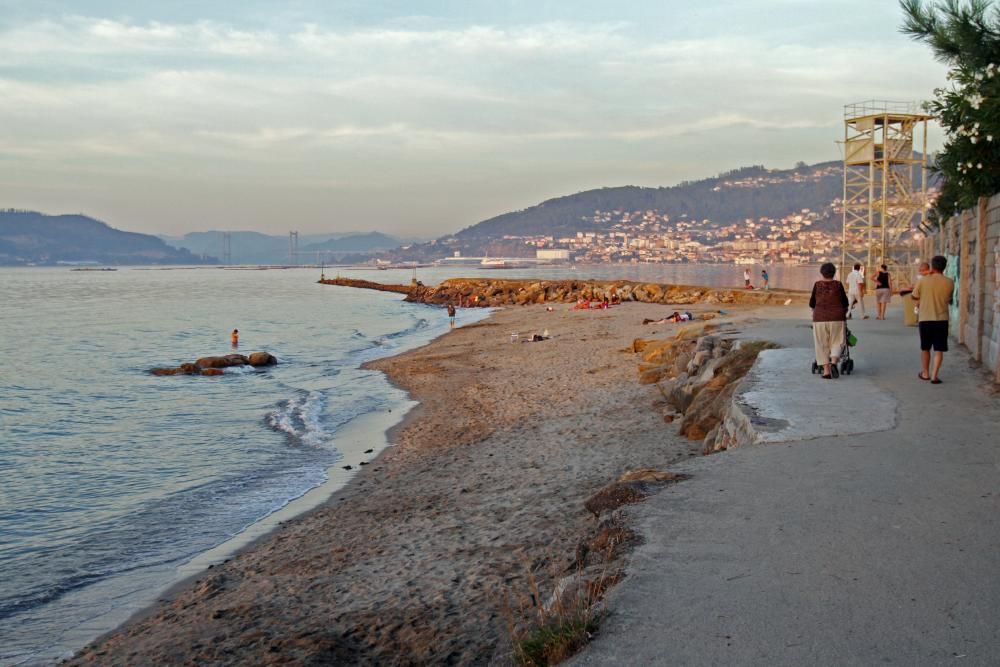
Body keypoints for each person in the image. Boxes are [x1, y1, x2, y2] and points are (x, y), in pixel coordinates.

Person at [912, 255, 954, 384]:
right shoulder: (949, 282)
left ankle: (925, 373)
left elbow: (914, 296)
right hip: (942, 319)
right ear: (945, 267)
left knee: (925, 348)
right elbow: (950, 299)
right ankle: (935, 376)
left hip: (925, 318)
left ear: (932, 266)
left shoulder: (923, 281)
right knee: (939, 349)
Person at [809, 262, 849, 379]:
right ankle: (834, 362)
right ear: (834, 273)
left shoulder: (817, 285)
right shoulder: (838, 285)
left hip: (820, 318)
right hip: (837, 317)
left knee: (821, 344)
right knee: (837, 341)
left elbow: (812, 303)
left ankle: (826, 371)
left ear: (822, 273)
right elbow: (845, 302)